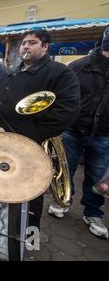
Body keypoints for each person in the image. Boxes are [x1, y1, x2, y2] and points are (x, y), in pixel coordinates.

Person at [0, 29, 80, 231]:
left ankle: (30, 238)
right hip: (3, 141)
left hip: (32, 144)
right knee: (3, 184)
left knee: (31, 193)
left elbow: (68, 110)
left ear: (45, 47)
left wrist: (34, 134)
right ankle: (4, 231)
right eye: (23, 43)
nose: (25, 46)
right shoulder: (13, 71)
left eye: (32, 43)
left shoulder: (60, 72)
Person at [48, 27, 109, 239]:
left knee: (96, 176)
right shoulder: (78, 67)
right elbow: (60, 96)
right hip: (72, 130)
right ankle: (62, 200)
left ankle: (93, 213)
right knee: (65, 169)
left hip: (104, 134)